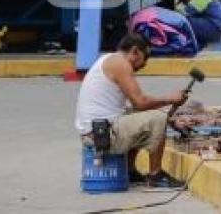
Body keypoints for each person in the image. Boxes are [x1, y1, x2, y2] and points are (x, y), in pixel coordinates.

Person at [74, 33, 188, 188]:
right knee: (157, 118)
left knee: (140, 117)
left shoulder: (109, 60)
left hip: (96, 131)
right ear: (135, 51)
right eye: (145, 57)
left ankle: (130, 171)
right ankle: (155, 175)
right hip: (99, 136)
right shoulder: (120, 64)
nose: (144, 64)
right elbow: (140, 103)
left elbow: (133, 108)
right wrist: (170, 98)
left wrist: (171, 119)